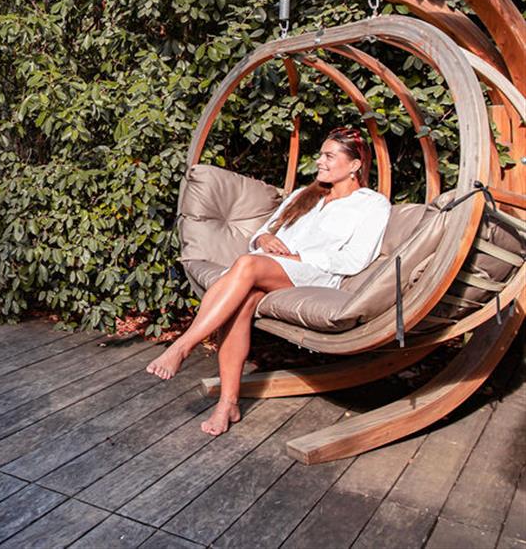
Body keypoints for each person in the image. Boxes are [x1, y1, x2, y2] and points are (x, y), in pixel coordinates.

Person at [146, 126, 391, 435]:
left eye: (329, 156)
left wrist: (297, 258)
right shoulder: (307, 194)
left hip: (316, 274)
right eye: (320, 155)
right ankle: (228, 403)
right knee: (244, 299)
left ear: (355, 164)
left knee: (247, 266)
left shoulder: (372, 205)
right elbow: (265, 231)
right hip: (273, 267)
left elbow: (356, 258)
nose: (320, 162)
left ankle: (184, 345)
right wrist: (264, 240)